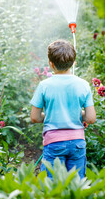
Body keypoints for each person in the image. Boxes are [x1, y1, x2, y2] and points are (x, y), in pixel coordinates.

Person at [30, 39, 96, 179]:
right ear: (73, 63)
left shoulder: (44, 85)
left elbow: (35, 117)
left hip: (54, 142)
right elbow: (91, 118)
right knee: (76, 184)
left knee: (51, 185)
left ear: (51, 64)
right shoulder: (83, 85)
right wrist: (77, 113)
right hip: (77, 143)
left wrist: (49, 114)